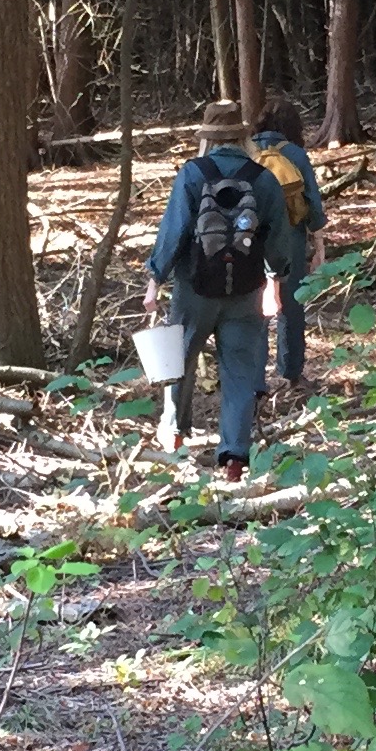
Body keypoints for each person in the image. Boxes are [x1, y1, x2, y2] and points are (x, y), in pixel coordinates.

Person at [144, 100, 304, 482]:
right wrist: (275, 282)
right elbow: (277, 238)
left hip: (194, 289)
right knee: (240, 372)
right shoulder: (263, 178)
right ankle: (234, 457)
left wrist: (155, 278)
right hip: (245, 291)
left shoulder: (193, 174)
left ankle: (175, 436)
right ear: (242, 135)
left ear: (209, 139)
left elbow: (174, 231)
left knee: (178, 362)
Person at [250, 96, 327, 393]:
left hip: (253, 239)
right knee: (291, 306)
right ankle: (291, 373)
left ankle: (255, 381)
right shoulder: (295, 154)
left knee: (255, 305)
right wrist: (319, 245)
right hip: (290, 238)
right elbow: (313, 205)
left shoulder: (247, 151)